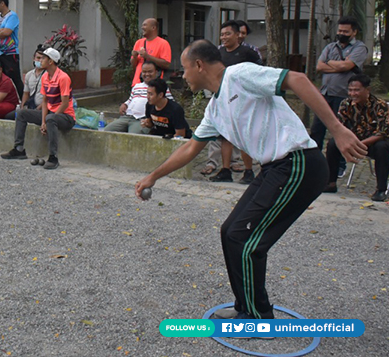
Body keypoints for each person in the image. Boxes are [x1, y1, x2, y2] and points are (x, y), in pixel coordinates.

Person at [134, 40, 366, 321]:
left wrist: (337, 130)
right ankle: (245, 305)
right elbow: (190, 148)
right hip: (274, 168)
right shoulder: (215, 108)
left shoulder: (239, 75)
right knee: (230, 231)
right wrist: (153, 177)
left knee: (244, 238)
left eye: (184, 69)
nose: (182, 76)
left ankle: (258, 317)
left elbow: (297, 79)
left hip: (298, 163)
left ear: (198, 65)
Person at [0, 47, 76, 170]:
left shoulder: (63, 78)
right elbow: (45, 101)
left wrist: (49, 119)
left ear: (50, 61)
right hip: (50, 114)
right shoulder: (45, 77)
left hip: (66, 116)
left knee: (51, 118)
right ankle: (19, 149)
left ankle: (53, 157)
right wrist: (43, 122)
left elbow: (65, 103)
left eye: (44, 58)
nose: (41, 60)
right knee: (21, 113)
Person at [313, 16, 369, 177]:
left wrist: (331, 63)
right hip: (325, 95)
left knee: (341, 131)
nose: (341, 33)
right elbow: (319, 66)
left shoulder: (360, 48)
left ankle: (339, 166)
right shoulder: (331, 47)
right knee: (317, 130)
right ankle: (314, 164)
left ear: (354, 32)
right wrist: (340, 66)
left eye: (345, 31)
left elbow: (348, 65)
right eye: (339, 30)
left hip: (343, 97)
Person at [209, 20, 263, 184]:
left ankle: (248, 171)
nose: (224, 37)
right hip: (223, 99)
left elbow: (259, 74)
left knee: (244, 137)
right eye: (222, 34)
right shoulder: (218, 53)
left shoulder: (248, 53)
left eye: (228, 34)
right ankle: (225, 170)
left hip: (244, 101)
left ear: (237, 35)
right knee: (225, 136)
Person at [323, 74, 389, 201]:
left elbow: (382, 133)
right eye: (350, 90)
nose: (353, 93)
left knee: (382, 147)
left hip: (374, 143)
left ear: (367, 90)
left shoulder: (380, 105)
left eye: (357, 90)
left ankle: (381, 189)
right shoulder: (346, 104)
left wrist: (359, 144)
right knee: (332, 143)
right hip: (353, 141)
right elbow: (339, 125)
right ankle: (330, 182)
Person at [104, 61, 173, 134]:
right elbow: (130, 99)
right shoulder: (136, 86)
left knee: (133, 137)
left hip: (142, 119)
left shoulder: (160, 87)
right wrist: (125, 104)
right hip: (127, 117)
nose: (147, 74)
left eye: (150, 72)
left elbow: (170, 104)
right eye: (144, 72)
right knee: (106, 131)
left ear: (156, 72)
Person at [0, 0, 24, 100]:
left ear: (2, 3)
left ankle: (23, 102)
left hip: (10, 53)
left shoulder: (12, 16)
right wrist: (0, 31)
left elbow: (7, 32)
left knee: (15, 78)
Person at [130, 18, 171, 85]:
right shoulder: (138, 42)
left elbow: (166, 64)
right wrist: (134, 57)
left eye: (145, 25)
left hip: (154, 84)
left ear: (153, 27)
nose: (142, 27)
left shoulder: (163, 43)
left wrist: (147, 56)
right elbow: (133, 65)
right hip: (138, 82)